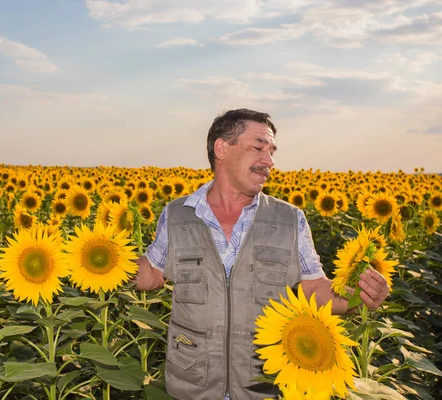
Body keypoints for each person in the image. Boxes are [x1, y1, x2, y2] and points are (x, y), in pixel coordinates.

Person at [132, 108, 390, 400]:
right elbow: (153, 272)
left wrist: (359, 296)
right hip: (192, 384)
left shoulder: (290, 220)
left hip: (262, 384)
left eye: (271, 151)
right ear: (221, 148)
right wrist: (110, 262)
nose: (269, 161)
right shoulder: (177, 215)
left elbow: (314, 288)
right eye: (258, 147)